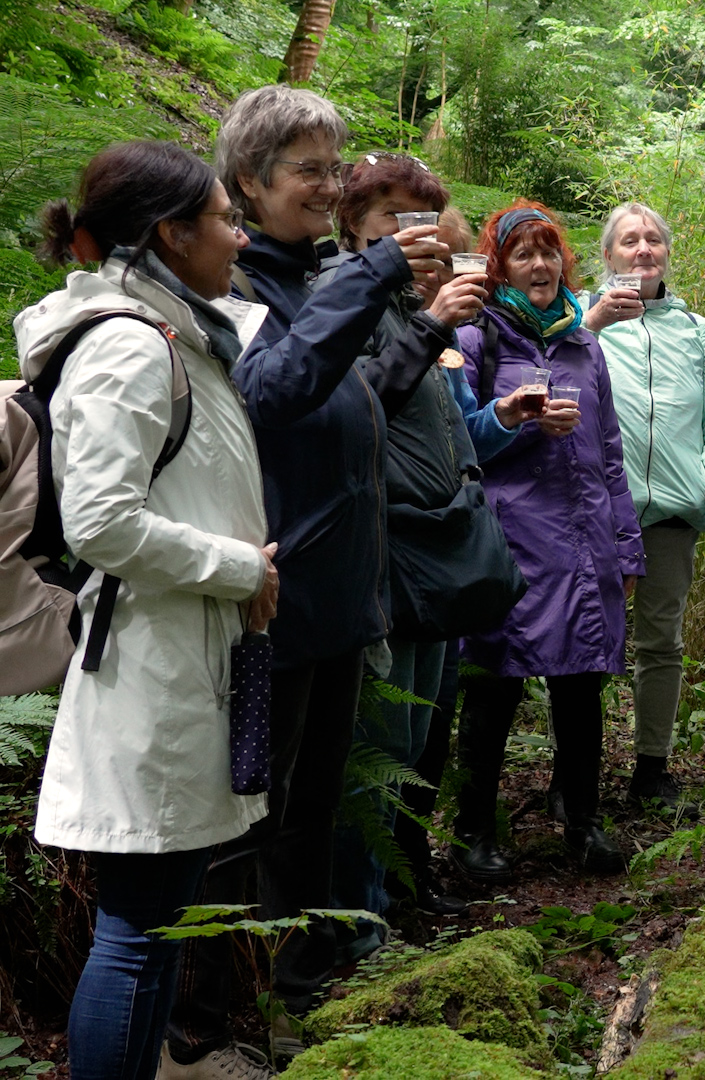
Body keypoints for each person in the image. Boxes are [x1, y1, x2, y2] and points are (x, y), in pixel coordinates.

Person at [164, 85, 449, 1079]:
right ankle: (212, 1025)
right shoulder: (235, 290)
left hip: (334, 603)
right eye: (309, 172)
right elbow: (273, 397)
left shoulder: (315, 275)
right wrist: (368, 276)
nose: (332, 187)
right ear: (248, 183)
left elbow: (353, 401)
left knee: (308, 818)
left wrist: (414, 324)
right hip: (266, 607)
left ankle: (288, 995)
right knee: (247, 821)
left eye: (337, 167)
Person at [22, 141, 277, 1080]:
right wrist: (239, 567)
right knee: (137, 929)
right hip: (150, 664)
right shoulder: (130, 342)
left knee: (158, 921)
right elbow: (101, 523)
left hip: (183, 653)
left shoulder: (177, 331)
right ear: (170, 235)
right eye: (222, 215)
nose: (238, 231)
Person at [323, 155, 540, 952]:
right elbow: (350, 406)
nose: (412, 235)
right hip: (386, 555)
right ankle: (356, 934)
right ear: (354, 227)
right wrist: (432, 323)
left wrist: (505, 419)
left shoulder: (425, 316)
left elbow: (453, 435)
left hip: (442, 552)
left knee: (416, 746)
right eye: (391, 218)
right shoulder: (344, 307)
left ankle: (393, 900)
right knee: (377, 751)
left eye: (423, 220)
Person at [452, 200, 644, 877]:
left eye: (549, 250)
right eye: (524, 253)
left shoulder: (582, 341)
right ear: (500, 264)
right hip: (510, 545)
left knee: (579, 686)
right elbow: (460, 443)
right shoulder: (479, 337)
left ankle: (584, 824)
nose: (540, 264)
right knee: (495, 686)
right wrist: (512, 418)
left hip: (584, 539)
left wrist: (626, 544)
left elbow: (610, 448)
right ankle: (473, 832)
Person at [587, 202, 705, 807]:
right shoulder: (581, 319)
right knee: (587, 641)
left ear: (667, 253)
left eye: (653, 240)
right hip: (595, 508)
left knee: (662, 641)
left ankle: (651, 767)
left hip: (673, 508)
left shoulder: (696, 330)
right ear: (609, 256)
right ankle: (577, 774)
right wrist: (590, 321)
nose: (642, 249)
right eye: (629, 241)